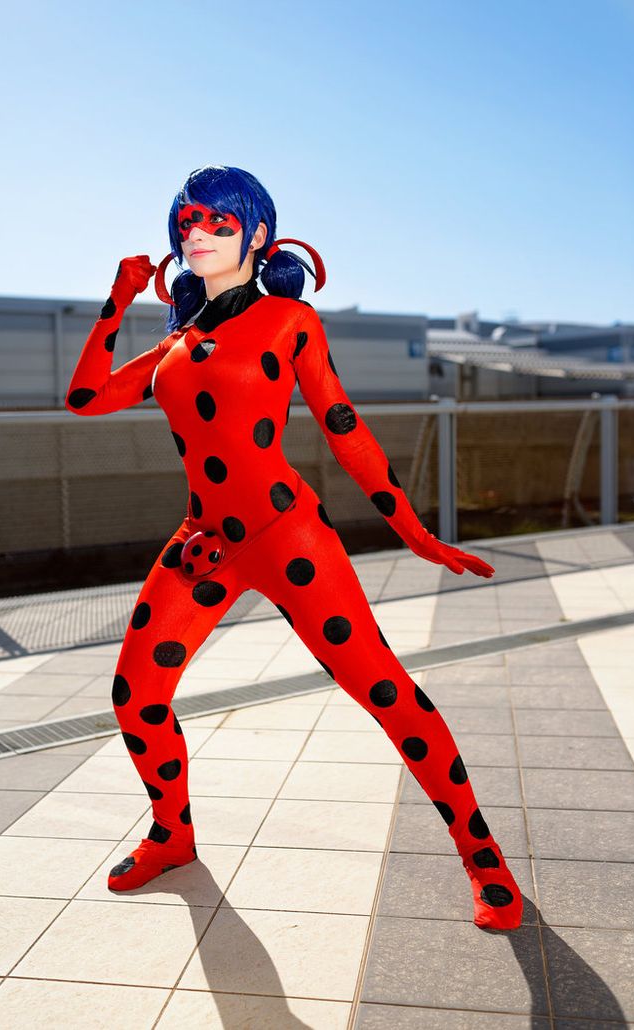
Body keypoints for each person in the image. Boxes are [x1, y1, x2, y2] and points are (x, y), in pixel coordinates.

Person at [65, 164, 523, 931]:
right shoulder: (178, 344)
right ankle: (171, 836)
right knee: (135, 695)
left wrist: (409, 527)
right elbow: (85, 398)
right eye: (187, 224)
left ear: (257, 236)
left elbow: (343, 425)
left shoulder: (289, 322)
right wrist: (115, 303)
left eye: (216, 222)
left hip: (288, 536)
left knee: (385, 691)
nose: (197, 235)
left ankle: (483, 856)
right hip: (202, 544)